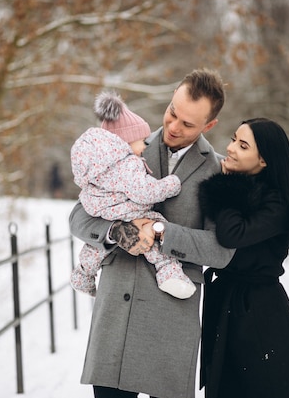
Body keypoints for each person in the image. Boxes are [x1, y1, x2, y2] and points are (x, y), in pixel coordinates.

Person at [69, 68, 235, 398]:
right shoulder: (124, 145)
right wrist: (118, 231)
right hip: (117, 316)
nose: (173, 126)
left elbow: (221, 251)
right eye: (173, 112)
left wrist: (160, 231)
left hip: (172, 324)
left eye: (188, 124)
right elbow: (78, 218)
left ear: (209, 126)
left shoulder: (217, 170)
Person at [198, 117, 289, 398]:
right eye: (232, 139)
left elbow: (231, 235)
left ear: (263, 160)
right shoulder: (251, 190)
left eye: (242, 145)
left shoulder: (276, 202)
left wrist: (226, 187)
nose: (230, 149)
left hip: (257, 313)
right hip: (231, 303)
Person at [70, 90, 196, 299]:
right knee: (154, 231)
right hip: (129, 211)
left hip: (104, 212)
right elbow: (144, 192)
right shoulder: (127, 164)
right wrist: (170, 185)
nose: (145, 146)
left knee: (94, 248)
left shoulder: (100, 166)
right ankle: (168, 272)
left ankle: (82, 275)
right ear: (125, 141)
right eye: (142, 140)